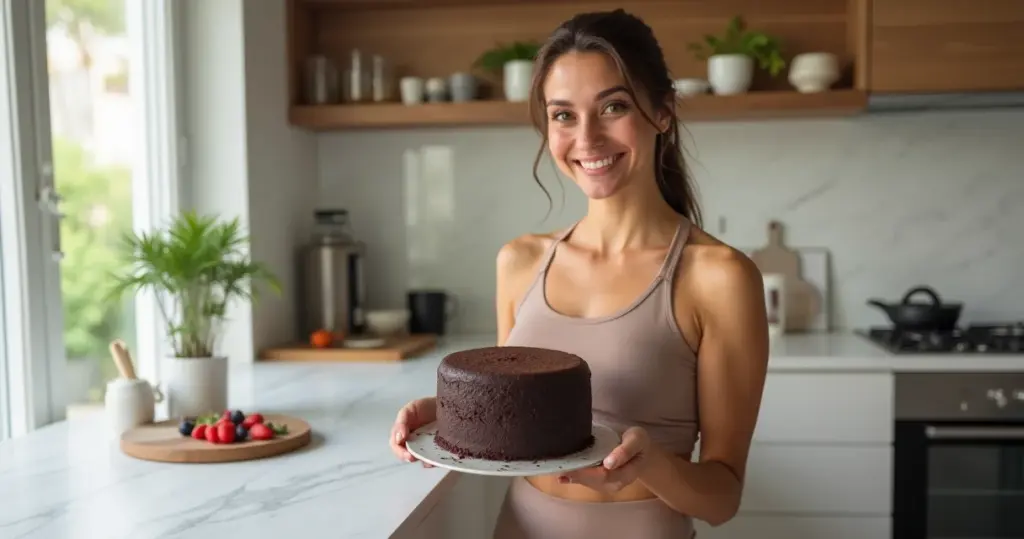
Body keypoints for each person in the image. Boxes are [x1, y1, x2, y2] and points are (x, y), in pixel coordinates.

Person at [389, 8, 769, 539]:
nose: (586, 138)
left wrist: (649, 465)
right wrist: (453, 415)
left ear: (663, 111)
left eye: (612, 106)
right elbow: (521, 420)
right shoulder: (518, 262)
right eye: (563, 115)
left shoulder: (719, 277)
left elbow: (722, 496)